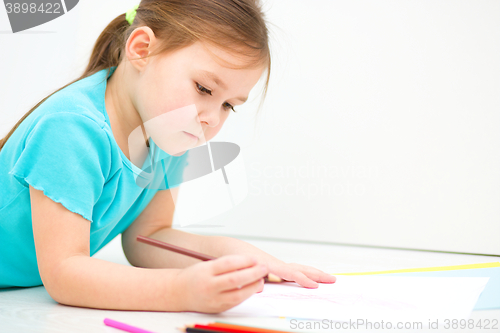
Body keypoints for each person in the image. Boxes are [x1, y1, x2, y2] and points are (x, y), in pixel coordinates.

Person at [0, 0, 336, 313]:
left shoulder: (167, 133)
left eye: (228, 105)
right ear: (142, 49)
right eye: (204, 89)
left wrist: (243, 259)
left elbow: (147, 238)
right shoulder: (72, 129)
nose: (213, 119)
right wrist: (180, 290)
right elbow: (63, 273)